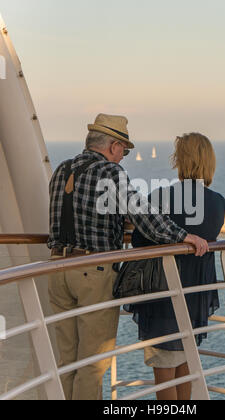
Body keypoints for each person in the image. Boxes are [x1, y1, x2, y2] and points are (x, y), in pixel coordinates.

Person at [47, 114, 209, 400]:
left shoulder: (62, 169)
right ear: (113, 146)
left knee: (67, 361)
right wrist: (184, 236)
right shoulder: (109, 172)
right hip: (92, 271)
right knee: (91, 366)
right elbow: (144, 215)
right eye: (125, 150)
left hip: (57, 268)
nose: (124, 157)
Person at [126, 133, 225, 401]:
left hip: (164, 290)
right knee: (185, 363)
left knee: (164, 368)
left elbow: (139, 239)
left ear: (180, 161)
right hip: (197, 292)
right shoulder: (218, 202)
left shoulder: (161, 196)